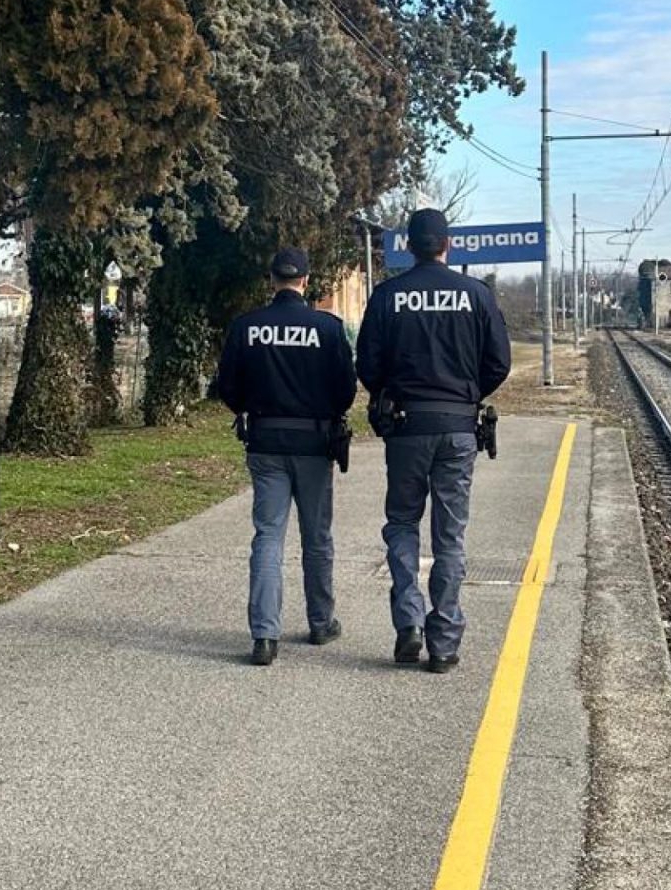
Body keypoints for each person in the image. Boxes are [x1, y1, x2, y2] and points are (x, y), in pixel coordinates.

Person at [356, 208, 512, 674]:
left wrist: (389, 393)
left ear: (410, 247)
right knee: (450, 534)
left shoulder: (388, 296)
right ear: (448, 245)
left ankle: (408, 623)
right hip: (459, 427)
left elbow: (367, 363)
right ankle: (443, 641)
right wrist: (467, 394)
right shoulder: (477, 295)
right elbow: (498, 363)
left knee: (402, 522)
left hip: (405, 426)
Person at [213, 249, 358, 667]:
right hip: (315, 444)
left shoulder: (246, 327)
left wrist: (252, 406)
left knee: (268, 536)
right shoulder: (327, 328)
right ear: (306, 282)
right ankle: (320, 621)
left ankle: (264, 635)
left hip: (265, 442)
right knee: (317, 537)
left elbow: (228, 387)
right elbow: (346, 390)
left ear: (272, 279)